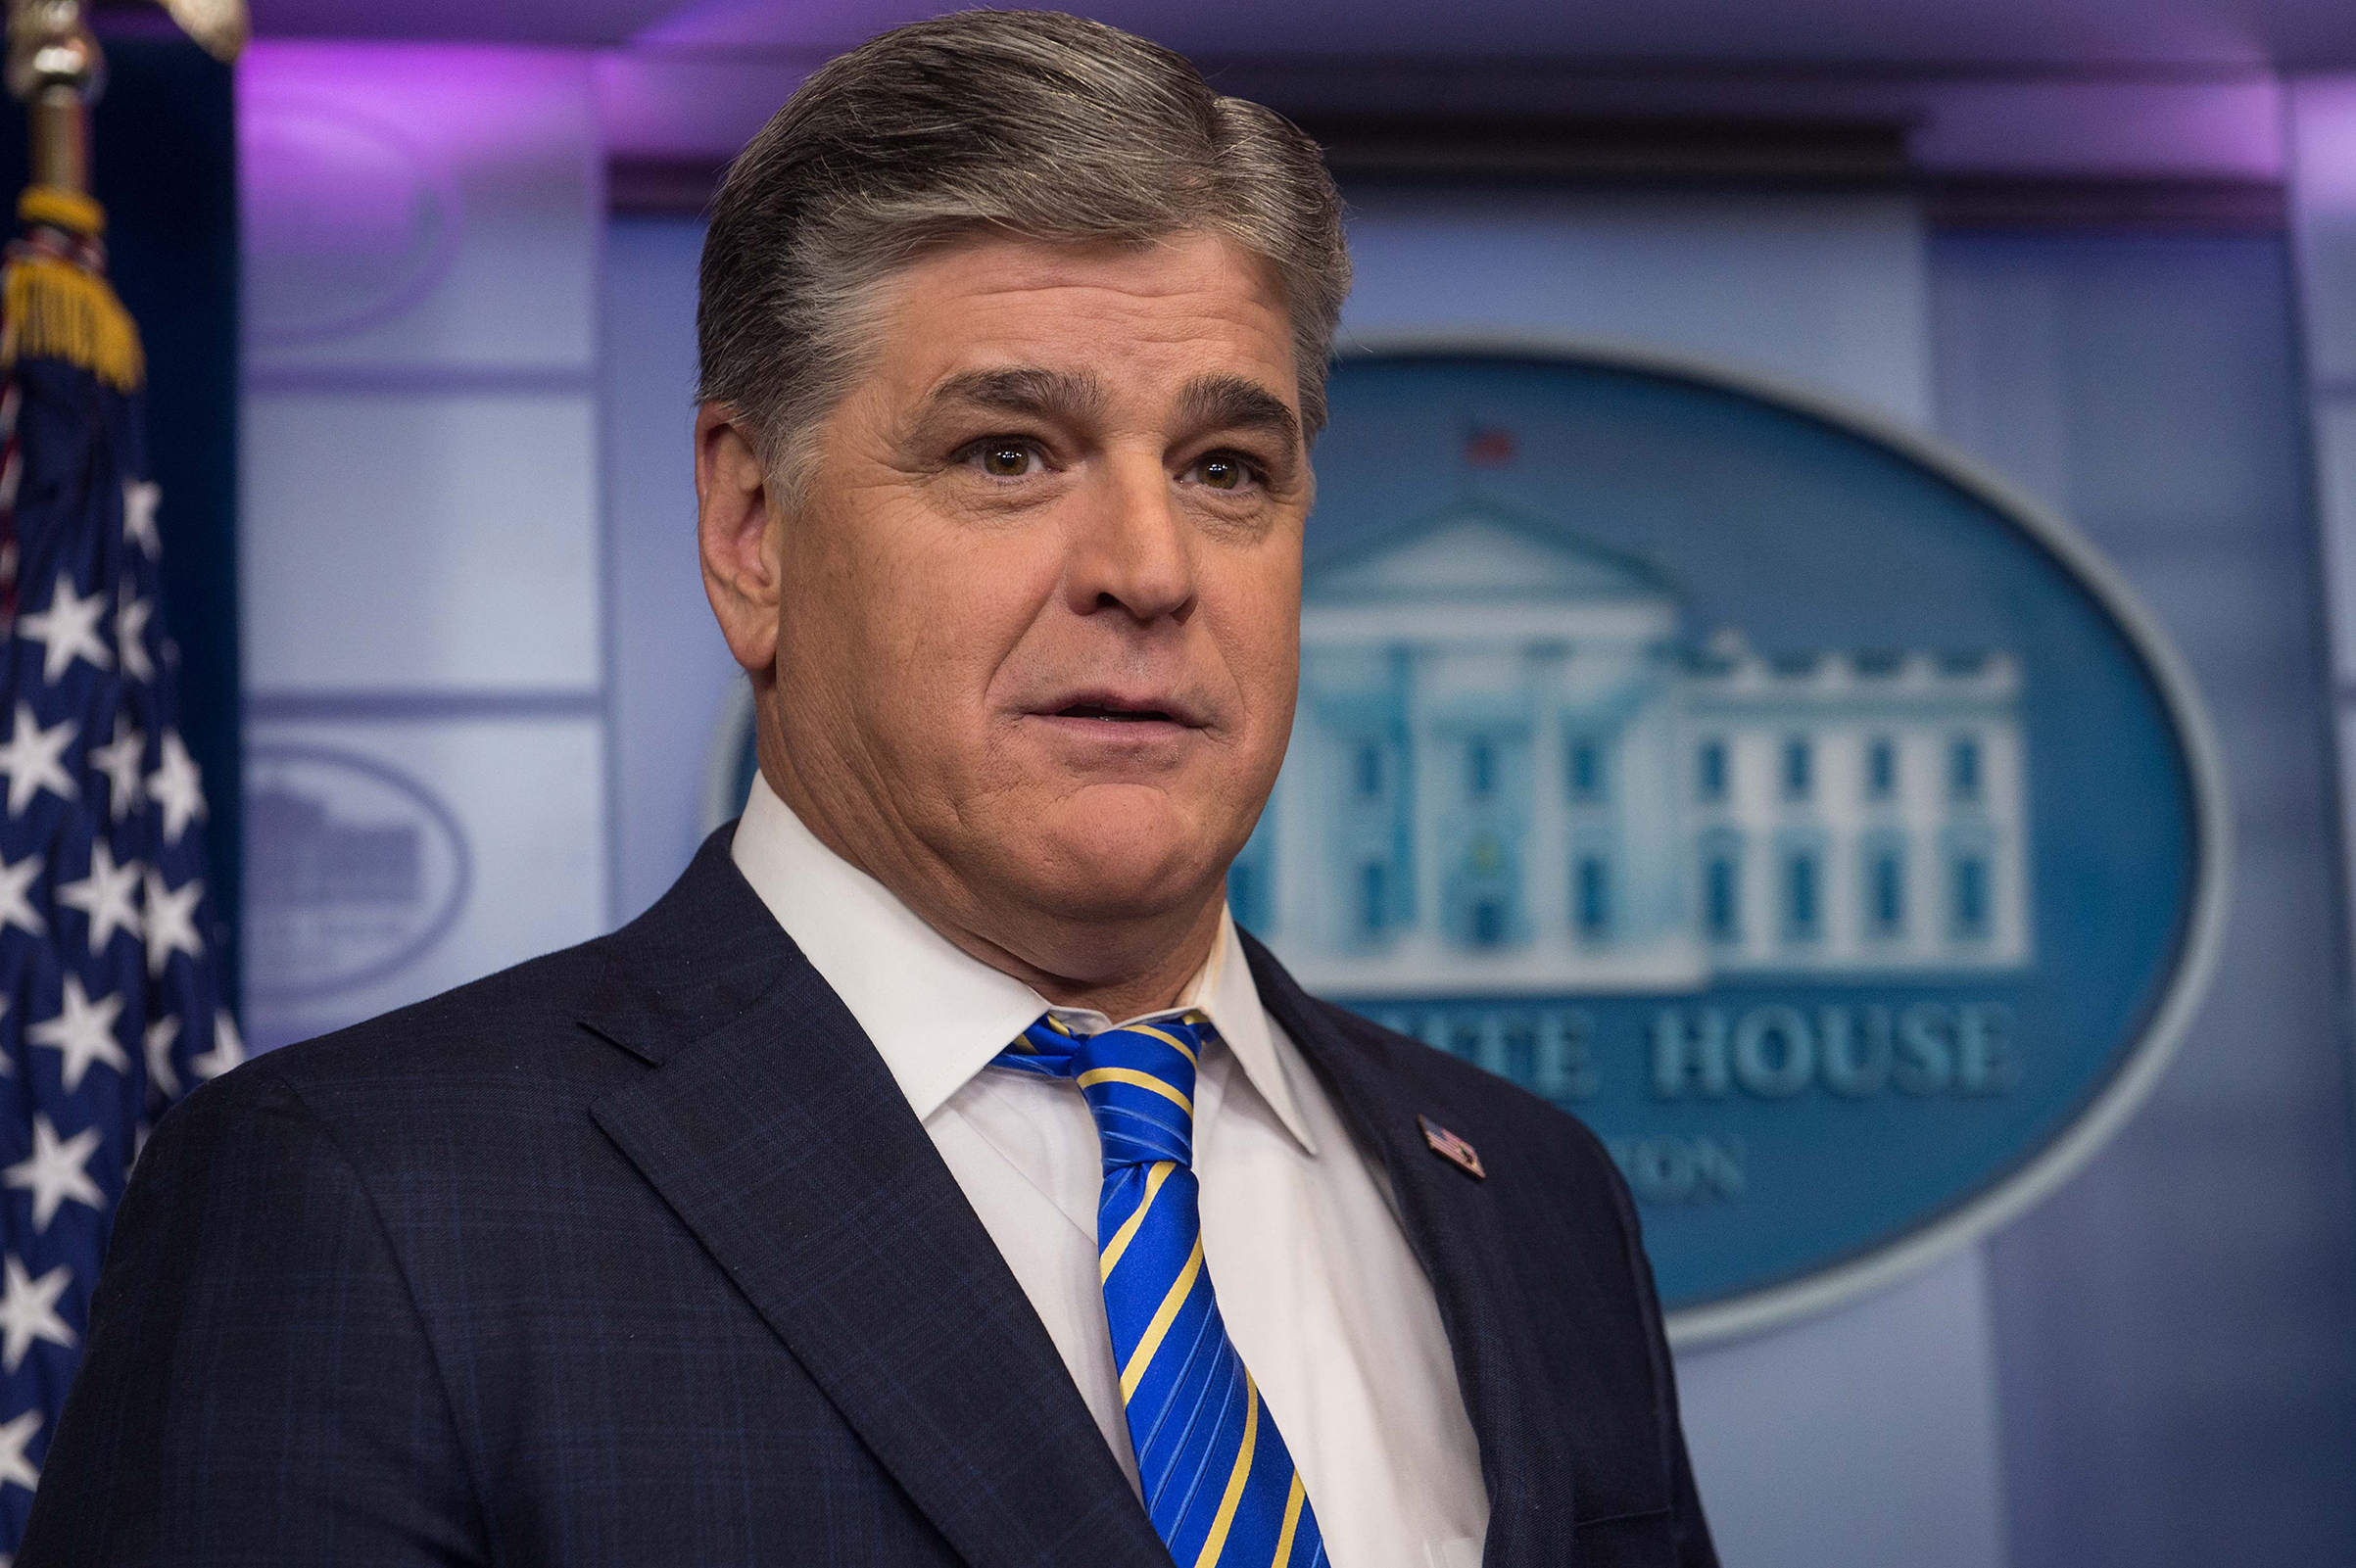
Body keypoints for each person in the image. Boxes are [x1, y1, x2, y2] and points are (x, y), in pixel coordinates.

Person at [21, 12, 1714, 1566]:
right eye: (1007, 453)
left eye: (1225, 468)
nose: (1149, 565)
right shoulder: (359, 1198)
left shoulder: (1528, 1187)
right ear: (749, 530)